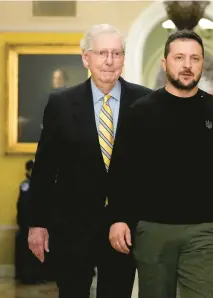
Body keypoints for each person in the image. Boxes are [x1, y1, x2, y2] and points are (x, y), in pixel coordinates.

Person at [108, 30, 213, 298]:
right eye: (179, 57)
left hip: (204, 230)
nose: (187, 65)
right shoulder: (140, 111)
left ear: (202, 63)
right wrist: (118, 218)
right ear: (164, 63)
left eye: (194, 58)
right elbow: (122, 171)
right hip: (151, 230)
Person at [27, 24, 151, 298]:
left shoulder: (144, 101)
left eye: (117, 53)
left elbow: (151, 169)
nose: (109, 60)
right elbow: (45, 167)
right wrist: (37, 223)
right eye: (102, 53)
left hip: (124, 227)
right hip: (72, 226)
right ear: (86, 58)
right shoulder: (61, 104)